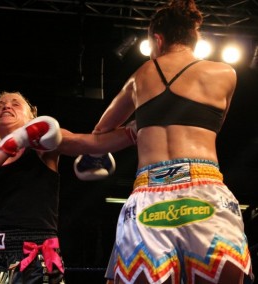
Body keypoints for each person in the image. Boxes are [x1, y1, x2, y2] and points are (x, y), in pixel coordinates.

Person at [82, 0, 254, 283]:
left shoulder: (140, 76)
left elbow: (101, 129)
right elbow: (215, 126)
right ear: (194, 38)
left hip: (150, 192)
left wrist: (138, 126)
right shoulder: (226, 74)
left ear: (157, 39)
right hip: (206, 188)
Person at [0, 90, 134, 284]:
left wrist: (133, 131)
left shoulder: (45, 146)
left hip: (35, 252)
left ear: (32, 117)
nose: (6, 106)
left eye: (15, 103)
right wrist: (18, 139)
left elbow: (90, 142)